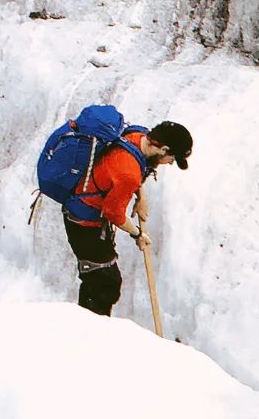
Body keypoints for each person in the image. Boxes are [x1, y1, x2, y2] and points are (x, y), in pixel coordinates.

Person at [61, 120, 193, 317]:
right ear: (164, 149)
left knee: (100, 280)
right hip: (84, 222)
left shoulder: (138, 135)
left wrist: (141, 197)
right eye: (172, 158)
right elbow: (113, 212)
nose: (171, 163)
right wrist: (137, 234)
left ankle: (87, 320)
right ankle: (89, 329)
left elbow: (137, 163)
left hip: (87, 210)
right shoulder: (128, 174)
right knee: (105, 283)